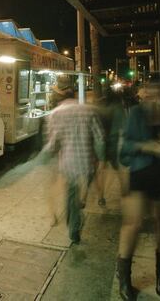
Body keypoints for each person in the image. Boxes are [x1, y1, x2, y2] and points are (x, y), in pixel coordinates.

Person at [117, 82, 160, 300]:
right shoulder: (136, 114)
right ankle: (124, 277)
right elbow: (124, 149)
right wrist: (147, 146)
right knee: (132, 224)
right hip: (140, 173)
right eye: (150, 95)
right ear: (143, 96)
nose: (154, 99)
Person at [45, 79, 106, 243]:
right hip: (87, 162)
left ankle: (73, 226)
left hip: (67, 162)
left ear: (59, 96)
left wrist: (47, 156)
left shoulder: (55, 114)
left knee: (71, 193)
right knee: (79, 194)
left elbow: (53, 144)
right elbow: (100, 138)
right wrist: (101, 159)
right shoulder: (89, 111)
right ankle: (74, 220)